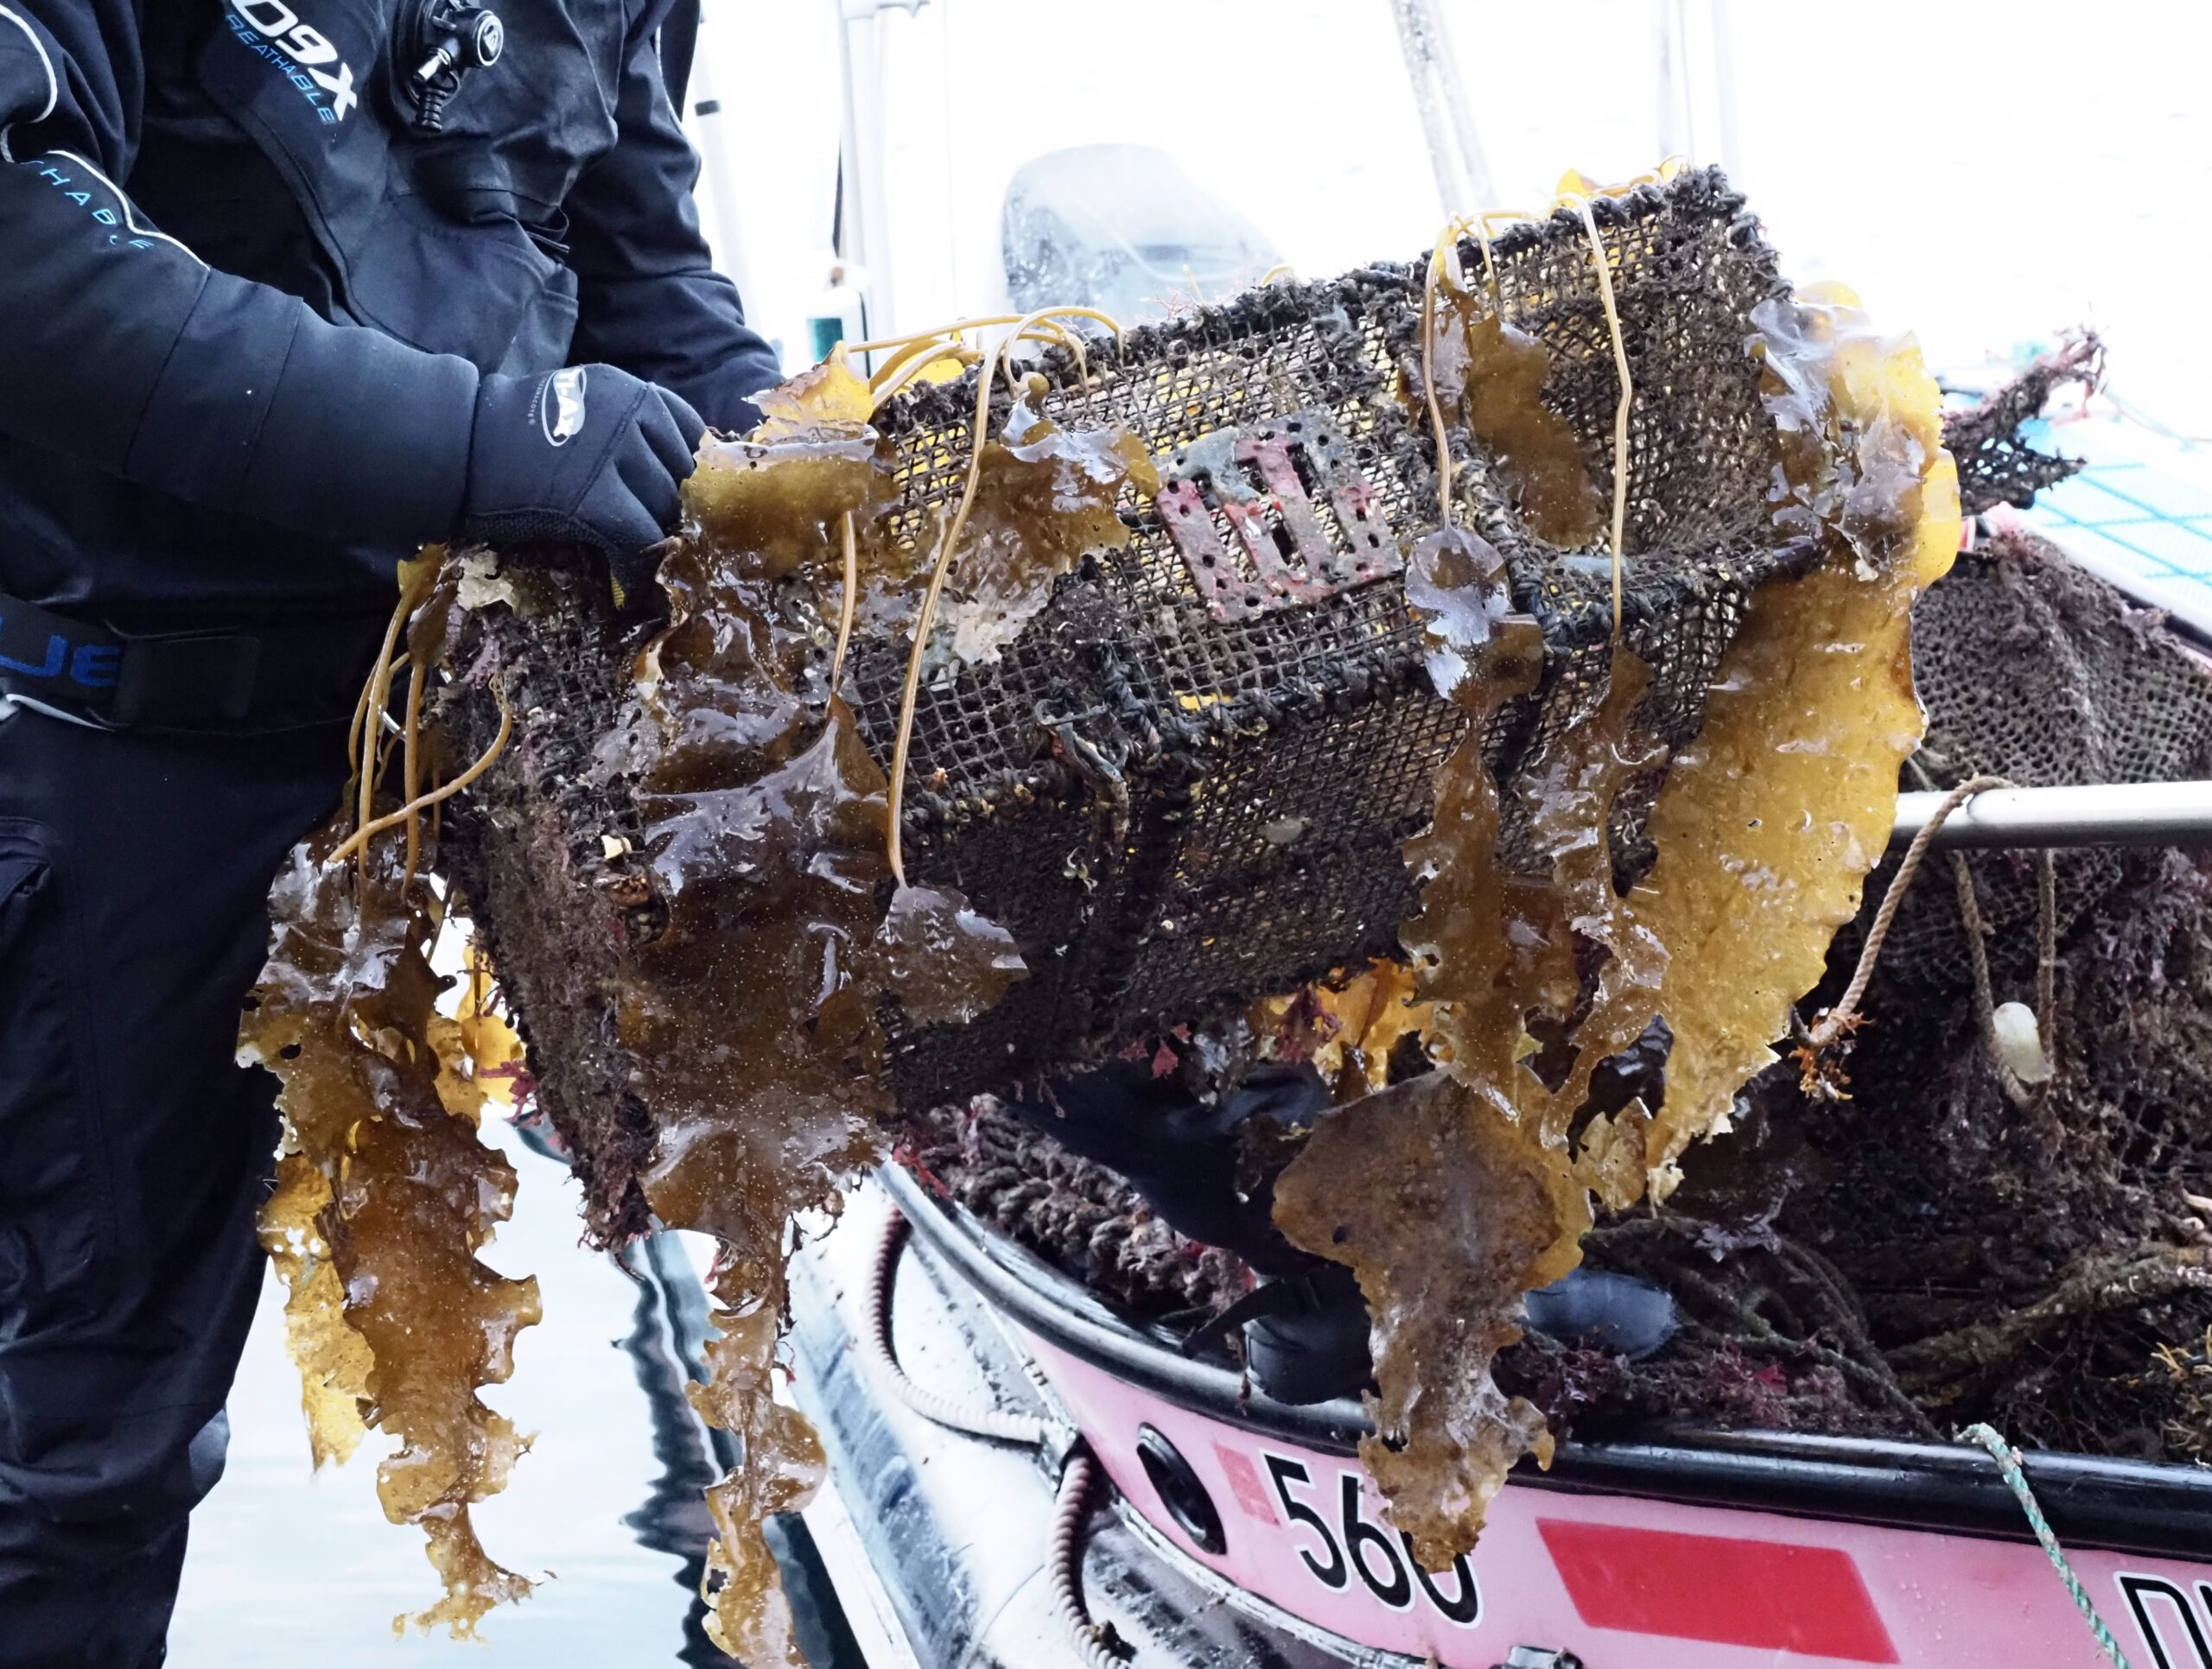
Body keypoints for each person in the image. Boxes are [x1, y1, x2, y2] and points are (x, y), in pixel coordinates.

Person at [0, 3, 779, 1661]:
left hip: (423, 729)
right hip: (100, 742)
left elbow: (641, 262)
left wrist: (788, 473)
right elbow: (21, 252)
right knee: (79, 1446)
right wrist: (485, 445)